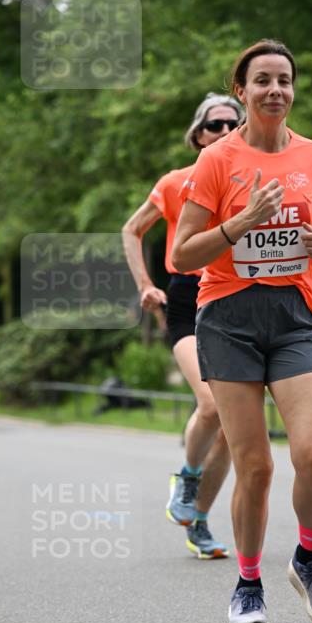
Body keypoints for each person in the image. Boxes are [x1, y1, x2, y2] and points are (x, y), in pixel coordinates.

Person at [172, 39, 312, 623]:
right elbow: (182, 254)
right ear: (241, 90)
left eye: (284, 80)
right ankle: (248, 585)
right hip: (229, 321)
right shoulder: (217, 160)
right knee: (256, 466)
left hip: (295, 318)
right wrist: (242, 221)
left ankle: (309, 561)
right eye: (263, 80)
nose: (275, 90)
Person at [122, 93, 244, 559]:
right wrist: (144, 285)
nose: (225, 131)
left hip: (235, 298)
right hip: (187, 299)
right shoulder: (176, 182)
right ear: (198, 135)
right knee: (211, 403)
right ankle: (188, 479)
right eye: (215, 125)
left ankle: (200, 522)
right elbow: (132, 229)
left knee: (233, 428)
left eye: (233, 123)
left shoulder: (251, 183)